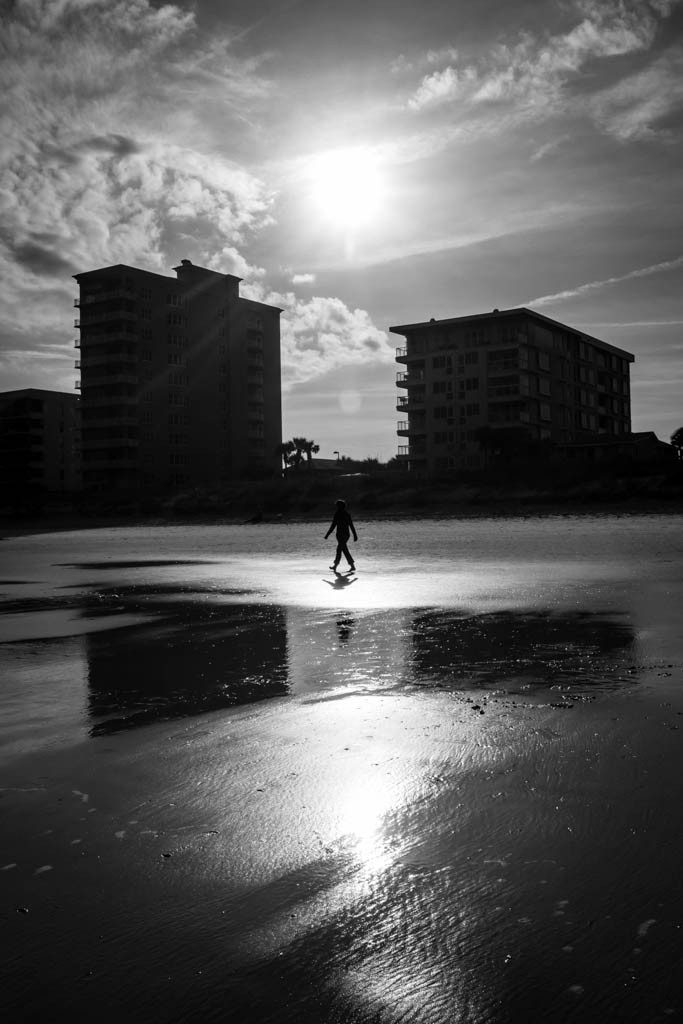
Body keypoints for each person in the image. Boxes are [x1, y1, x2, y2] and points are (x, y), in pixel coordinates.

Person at [324, 498, 358, 572]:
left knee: (339, 549)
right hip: (340, 535)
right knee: (344, 549)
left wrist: (355, 535)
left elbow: (351, 525)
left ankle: (336, 565)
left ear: (341, 506)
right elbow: (333, 525)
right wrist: (327, 534)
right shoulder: (339, 514)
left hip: (344, 535)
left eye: (338, 506)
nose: (337, 507)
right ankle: (351, 566)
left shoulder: (344, 514)